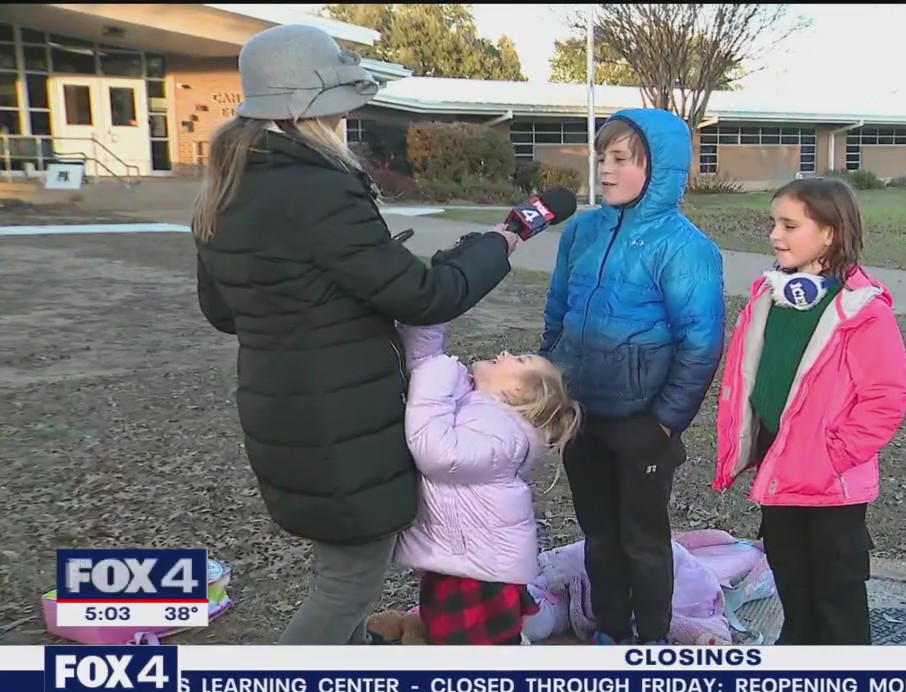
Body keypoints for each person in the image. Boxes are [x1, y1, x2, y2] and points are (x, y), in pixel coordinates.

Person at [192, 24, 519, 645]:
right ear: (311, 111)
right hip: (339, 424)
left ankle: (353, 672)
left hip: (284, 413)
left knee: (340, 569)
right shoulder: (316, 189)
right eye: (341, 105)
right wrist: (498, 244)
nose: (349, 117)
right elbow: (427, 296)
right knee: (347, 584)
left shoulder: (229, 186)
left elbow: (223, 311)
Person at [540, 109, 726, 645]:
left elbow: (702, 342)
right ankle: (610, 633)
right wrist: (552, 391)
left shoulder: (685, 247)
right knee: (598, 535)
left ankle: (650, 644)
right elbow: (557, 314)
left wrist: (665, 422)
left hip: (643, 423)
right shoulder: (581, 232)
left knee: (642, 540)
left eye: (620, 158)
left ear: (658, 167)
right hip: (581, 416)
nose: (605, 169)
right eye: (601, 157)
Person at [712, 176, 906, 645]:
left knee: (836, 597)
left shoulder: (863, 311)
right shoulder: (770, 296)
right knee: (793, 588)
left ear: (830, 233)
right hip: (780, 472)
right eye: (773, 223)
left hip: (831, 486)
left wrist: (833, 454)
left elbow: (886, 396)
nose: (774, 235)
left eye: (789, 225)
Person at [391, 321, 582, 645]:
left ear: (517, 392)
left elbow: (440, 455)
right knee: (448, 635)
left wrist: (436, 374)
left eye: (520, 361)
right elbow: (426, 366)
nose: (507, 353)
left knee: (470, 648)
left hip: (477, 573)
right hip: (467, 559)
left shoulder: (504, 431)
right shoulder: (482, 405)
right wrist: (428, 321)